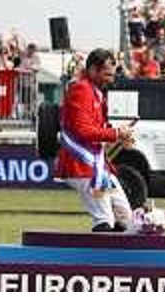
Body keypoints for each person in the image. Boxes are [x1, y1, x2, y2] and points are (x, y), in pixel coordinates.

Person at [54, 48, 135, 232]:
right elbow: (83, 130)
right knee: (104, 220)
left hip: (97, 168)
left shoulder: (96, 92)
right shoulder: (81, 90)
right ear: (92, 70)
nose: (111, 79)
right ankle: (102, 259)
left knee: (125, 217)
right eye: (107, 74)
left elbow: (97, 128)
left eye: (112, 74)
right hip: (82, 166)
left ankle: (121, 256)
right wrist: (116, 134)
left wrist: (119, 137)